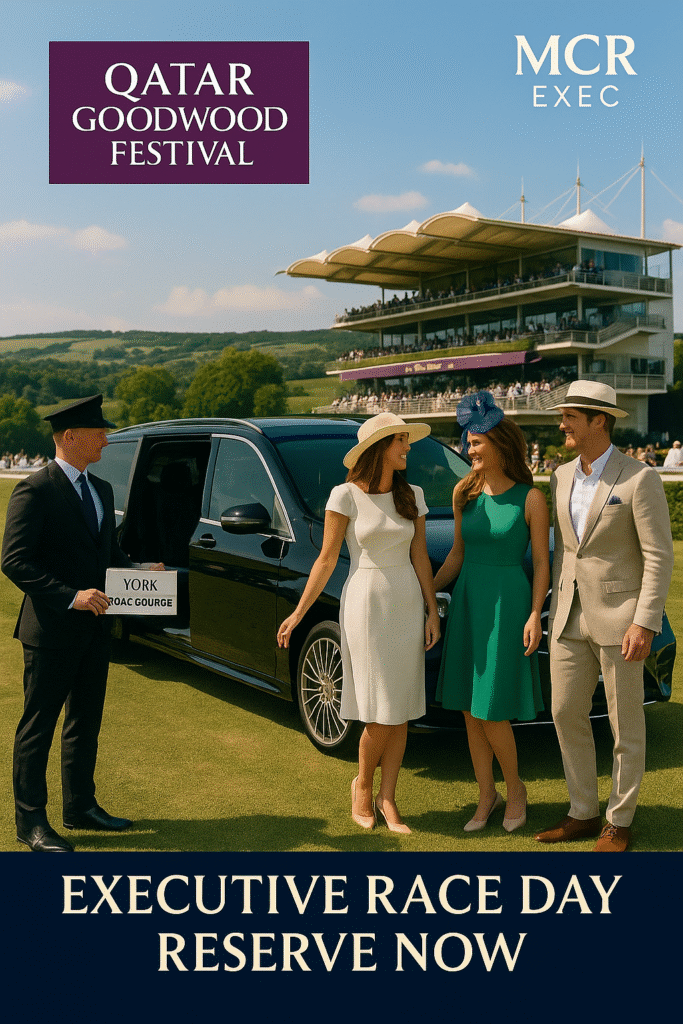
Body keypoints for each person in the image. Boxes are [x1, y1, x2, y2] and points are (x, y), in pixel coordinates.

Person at [1, 394, 163, 853]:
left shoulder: (102, 490)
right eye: (99, 433)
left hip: (96, 630)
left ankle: (80, 807)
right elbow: (14, 561)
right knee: (39, 726)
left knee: (84, 722)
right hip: (50, 633)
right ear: (70, 437)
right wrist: (71, 596)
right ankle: (30, 822)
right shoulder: (34, 489)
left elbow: (107, 555)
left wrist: (137, 572)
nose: (106, 440)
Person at [277, 412, 440, 834]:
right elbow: (327, 559)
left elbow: (420, 556)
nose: (408, 447)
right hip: (365, 603)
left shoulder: (414, 495)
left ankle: (389, 798)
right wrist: (298, 613)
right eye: (400, 440)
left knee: (401, 708)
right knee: (377, 711)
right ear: (378, 448)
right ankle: (362, 787)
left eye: (407, 439)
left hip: (406, 600)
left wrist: (431, 610)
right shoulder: (344, 495)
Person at [535, 381, 674, 852]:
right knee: (563, 711)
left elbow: (659, 555)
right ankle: (583, 811)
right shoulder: (558, 476)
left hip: (622, 619)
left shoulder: (640, 477)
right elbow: (564, 555)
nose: (562, 424)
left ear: (600, 420)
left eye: (571, 415)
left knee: (624, 724)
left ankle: (619, 821)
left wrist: (645, 620)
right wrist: (547, 611)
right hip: (567, 618)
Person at [434, 391, 549, 833]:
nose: (468, 449)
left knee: (491, 709)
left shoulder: (531, 498)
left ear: (500, 444)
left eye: (476, 442)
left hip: (508, 604)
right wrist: (426, 591)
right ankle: (487, 794)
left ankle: (515, 787)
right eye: (467, 441)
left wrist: (534, 613)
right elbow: (457, 555)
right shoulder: (464, 493)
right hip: (467, 602)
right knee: (468, 707)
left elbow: (541, 562)